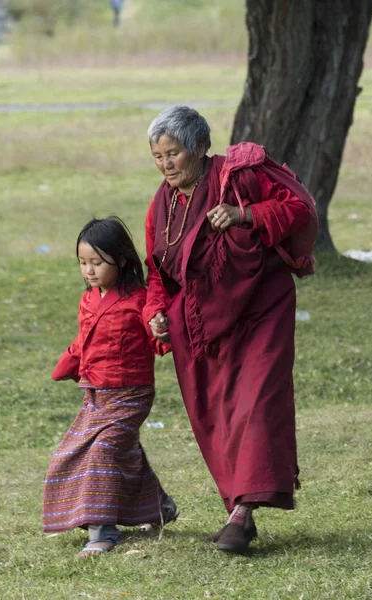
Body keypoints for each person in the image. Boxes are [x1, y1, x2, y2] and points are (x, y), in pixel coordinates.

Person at [143, 106, 315, 553]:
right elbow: (159, 274)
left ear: (199, 147)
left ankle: (243, 512)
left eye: (174, 154)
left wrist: (246, 216)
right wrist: (155, 314)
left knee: (256, 403)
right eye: (158, 156)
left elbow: (299, 208)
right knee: (215, 412)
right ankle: (237, 508)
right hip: (202, 327)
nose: (166, 165)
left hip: (261, 310)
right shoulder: (161, 205)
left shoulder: (238, 175)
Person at [42, 216, 178, 558]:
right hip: (96, 395)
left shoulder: (139, 301)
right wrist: (69, 364)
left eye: (98, 263)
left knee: (102, 452)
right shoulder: (88, 300)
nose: (89, 271)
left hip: (131, 395)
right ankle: (159, 508)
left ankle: (102, 531)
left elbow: (157, 337)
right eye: (83, 263)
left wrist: (162, 329)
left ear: (121, 260)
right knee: (96, 454)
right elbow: (85, 341)